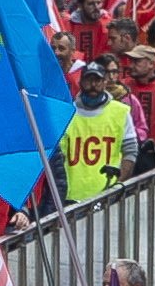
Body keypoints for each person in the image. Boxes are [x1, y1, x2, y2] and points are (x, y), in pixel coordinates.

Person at [58, 60, 136, 200]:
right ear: (81, 82)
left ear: (105, 82)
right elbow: (58, 158)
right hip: (71, 198)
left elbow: (130, 151)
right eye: (89, 80)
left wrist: (118, 185)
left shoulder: (120, 112)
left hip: (109, 196)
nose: (93, 85)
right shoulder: (66, 114)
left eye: (97, 80)